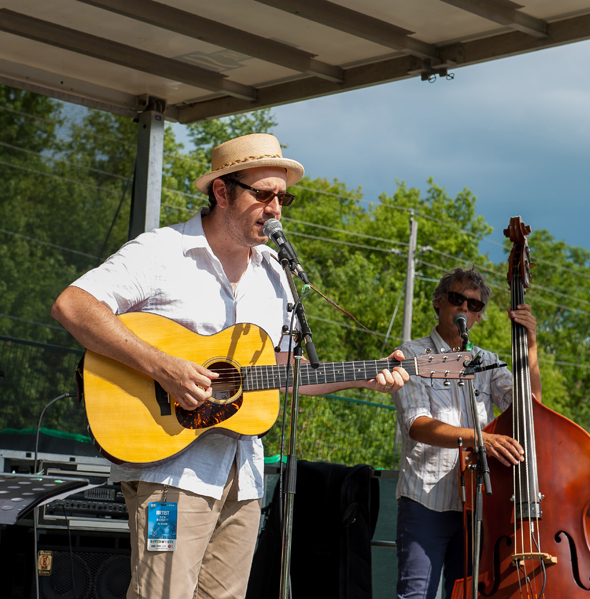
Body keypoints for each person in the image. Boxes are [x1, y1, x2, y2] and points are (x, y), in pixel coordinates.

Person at [52, 133, 410, 599]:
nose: (275, 208)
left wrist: (364, 376)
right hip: (170, 469)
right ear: (222, 192)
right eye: (263, 194)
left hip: (244, 476)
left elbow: (280, 369)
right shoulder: (162, 251)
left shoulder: (274, 272)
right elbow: (73, 305)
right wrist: (163, 367)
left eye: (283, 198)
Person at [392, 266, 542, 599]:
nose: (464, 308)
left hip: (478, 505)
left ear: (479, 316)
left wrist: (530, 346)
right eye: (457, 298)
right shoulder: (412, 355)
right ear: (438, 301)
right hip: (425, 499)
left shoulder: (487, 361)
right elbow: (417, 425)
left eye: (473, 305)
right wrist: (481, 439)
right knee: (416, 596)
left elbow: (531, 411)